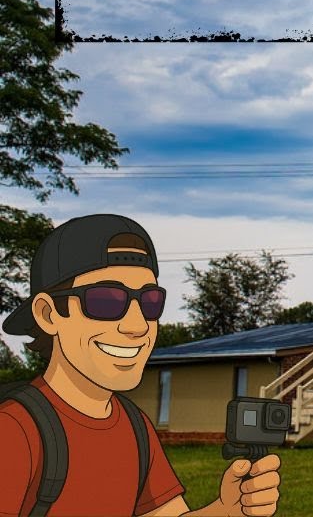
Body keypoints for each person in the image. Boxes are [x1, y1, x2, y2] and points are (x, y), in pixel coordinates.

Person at [0, 214, 282, 516]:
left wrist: (226, 510)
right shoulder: (14, 430)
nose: (137, 326)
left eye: (150, 302)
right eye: (106, 301)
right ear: (48, 314)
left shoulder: (135, 427)